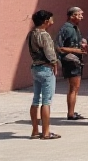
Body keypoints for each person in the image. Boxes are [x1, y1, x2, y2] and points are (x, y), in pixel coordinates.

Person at [27, 10, 60, 139]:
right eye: (51, 19)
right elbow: (50, 53)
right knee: (46, 101)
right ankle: (46, 132)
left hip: (35, 67)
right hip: (46, 68)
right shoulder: (44, 35)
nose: (52, 21)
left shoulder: (31, 34)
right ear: (46, 21)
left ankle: (35, 130)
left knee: (36, 99)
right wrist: (54, 63)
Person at [56, 6, 88, 120]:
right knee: (73, 88)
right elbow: (59, 47)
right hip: (71, 61)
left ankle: (72, 112)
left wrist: (82, 44)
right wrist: (77, 50)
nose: (82, 17)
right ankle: (71, 113)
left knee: (74, 88)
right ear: (72, 16)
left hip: (75, 61)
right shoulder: (67, 28)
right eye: (80, 15)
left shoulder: (75, 28)